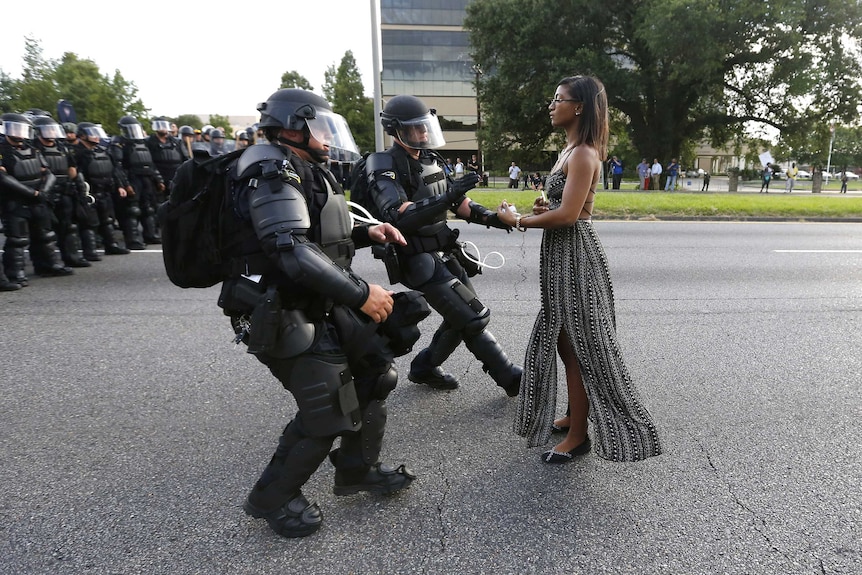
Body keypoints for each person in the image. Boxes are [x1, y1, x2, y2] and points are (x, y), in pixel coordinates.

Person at [220, 88, 416, 539]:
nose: (328, 138)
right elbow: (291, 250)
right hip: (281, 308)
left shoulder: (299, 167)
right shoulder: (270, 170)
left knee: (375, 375)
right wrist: (362, 293)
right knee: (327, 410)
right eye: (320, 127)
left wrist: (369, 233)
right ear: (292, 126)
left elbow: (319, 235)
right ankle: (273, 497)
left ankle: (356, 469)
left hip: (316, 300)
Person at [495, 75, 662, 464]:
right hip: (561, 254)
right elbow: (561, 207)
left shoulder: (585, 153)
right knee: (564, 341)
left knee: (581, 346)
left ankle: (579, 435)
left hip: (576, 256)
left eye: (559, 99)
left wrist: (518, 220)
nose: (552, 105)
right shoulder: (569, 151)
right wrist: (542, 210)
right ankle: (575, 413)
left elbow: (570, 216)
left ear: (580, 107)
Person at [364, 94, 523, 396]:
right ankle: (510, 377)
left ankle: (424, 367)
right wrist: (448, 198)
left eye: (426, 127)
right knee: (473, 316)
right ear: (396, 130)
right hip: (415, 257)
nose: (424, 133)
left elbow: (459, 202)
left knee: (461, 316)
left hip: (444, 250)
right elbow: (397, 214)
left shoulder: (430, 160)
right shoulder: (383, 163)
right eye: (416, 128)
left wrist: (495, 219)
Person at [31, 114, 91, 268]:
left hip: (64, 191)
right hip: (44, 194)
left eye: (53, 130)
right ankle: (44, 264)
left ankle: (71, 257)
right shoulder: (33, 148)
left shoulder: (62, 147)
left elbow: (72, 168)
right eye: (47, 130)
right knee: (44, 232)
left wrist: (78, 187)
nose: (51, 133)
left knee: (68, 227)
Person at [74, 122, 131, 258]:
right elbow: (75, 174)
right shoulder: (77, 152)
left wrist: (119, 186)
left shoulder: (103, 150)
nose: (96, 137)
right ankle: (90, 251)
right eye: (92, 133)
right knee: (89, 223)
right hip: (89, 192)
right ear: (82, 135)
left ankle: (112, 245)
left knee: (107, 220)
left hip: (105, 191)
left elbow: (114, 170)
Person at [109, 116, 165, 247]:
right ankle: (133, 240)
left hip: (147, 178)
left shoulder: (143, 143)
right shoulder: (119, 144)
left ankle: (151, 235)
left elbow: (151, 164)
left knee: (149, 208)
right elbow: (118, 167)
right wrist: (125, 184)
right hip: (132, 178)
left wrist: (158, 180)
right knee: (132, 210)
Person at [146, 117, 185, 191]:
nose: (162, 128)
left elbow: (186, 159)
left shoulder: (177, 142)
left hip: (176, 176)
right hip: (158, 177)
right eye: (159, 125)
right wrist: (158, 179)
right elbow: (148, 162)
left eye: (164, 125)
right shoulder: (149, 142)